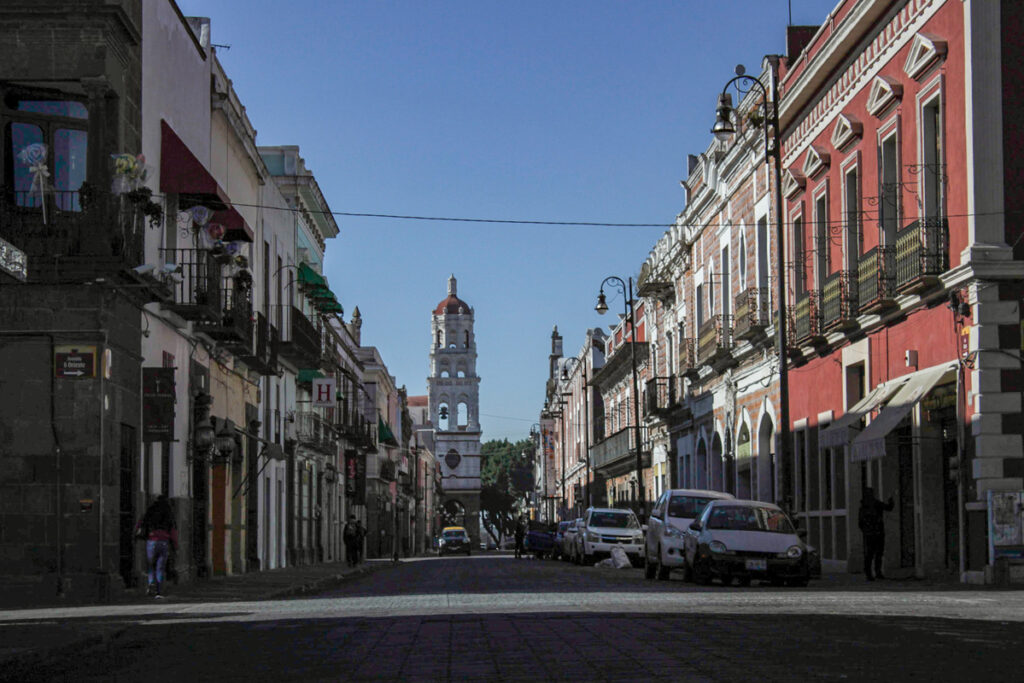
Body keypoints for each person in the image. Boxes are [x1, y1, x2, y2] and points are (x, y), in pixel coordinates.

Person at [136, 494, 178, 598]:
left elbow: (141, 523)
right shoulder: (169, 513)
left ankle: (151, 584)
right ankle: (158, 591)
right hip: (164, 541)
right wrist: (175, 545)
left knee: (151, 566)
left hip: (152, 540)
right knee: (160, 568)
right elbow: (173, 531)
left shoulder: (151, 510)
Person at [858, 487, 895, 581]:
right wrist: (891, 501)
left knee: (871, 554)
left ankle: (870, 573)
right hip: (877, 532)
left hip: (871, 533)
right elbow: (889, 508)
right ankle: (876, 572)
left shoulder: (864, 506)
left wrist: (865, 530)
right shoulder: (874, 504)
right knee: (877, 553)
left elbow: (860, 523)